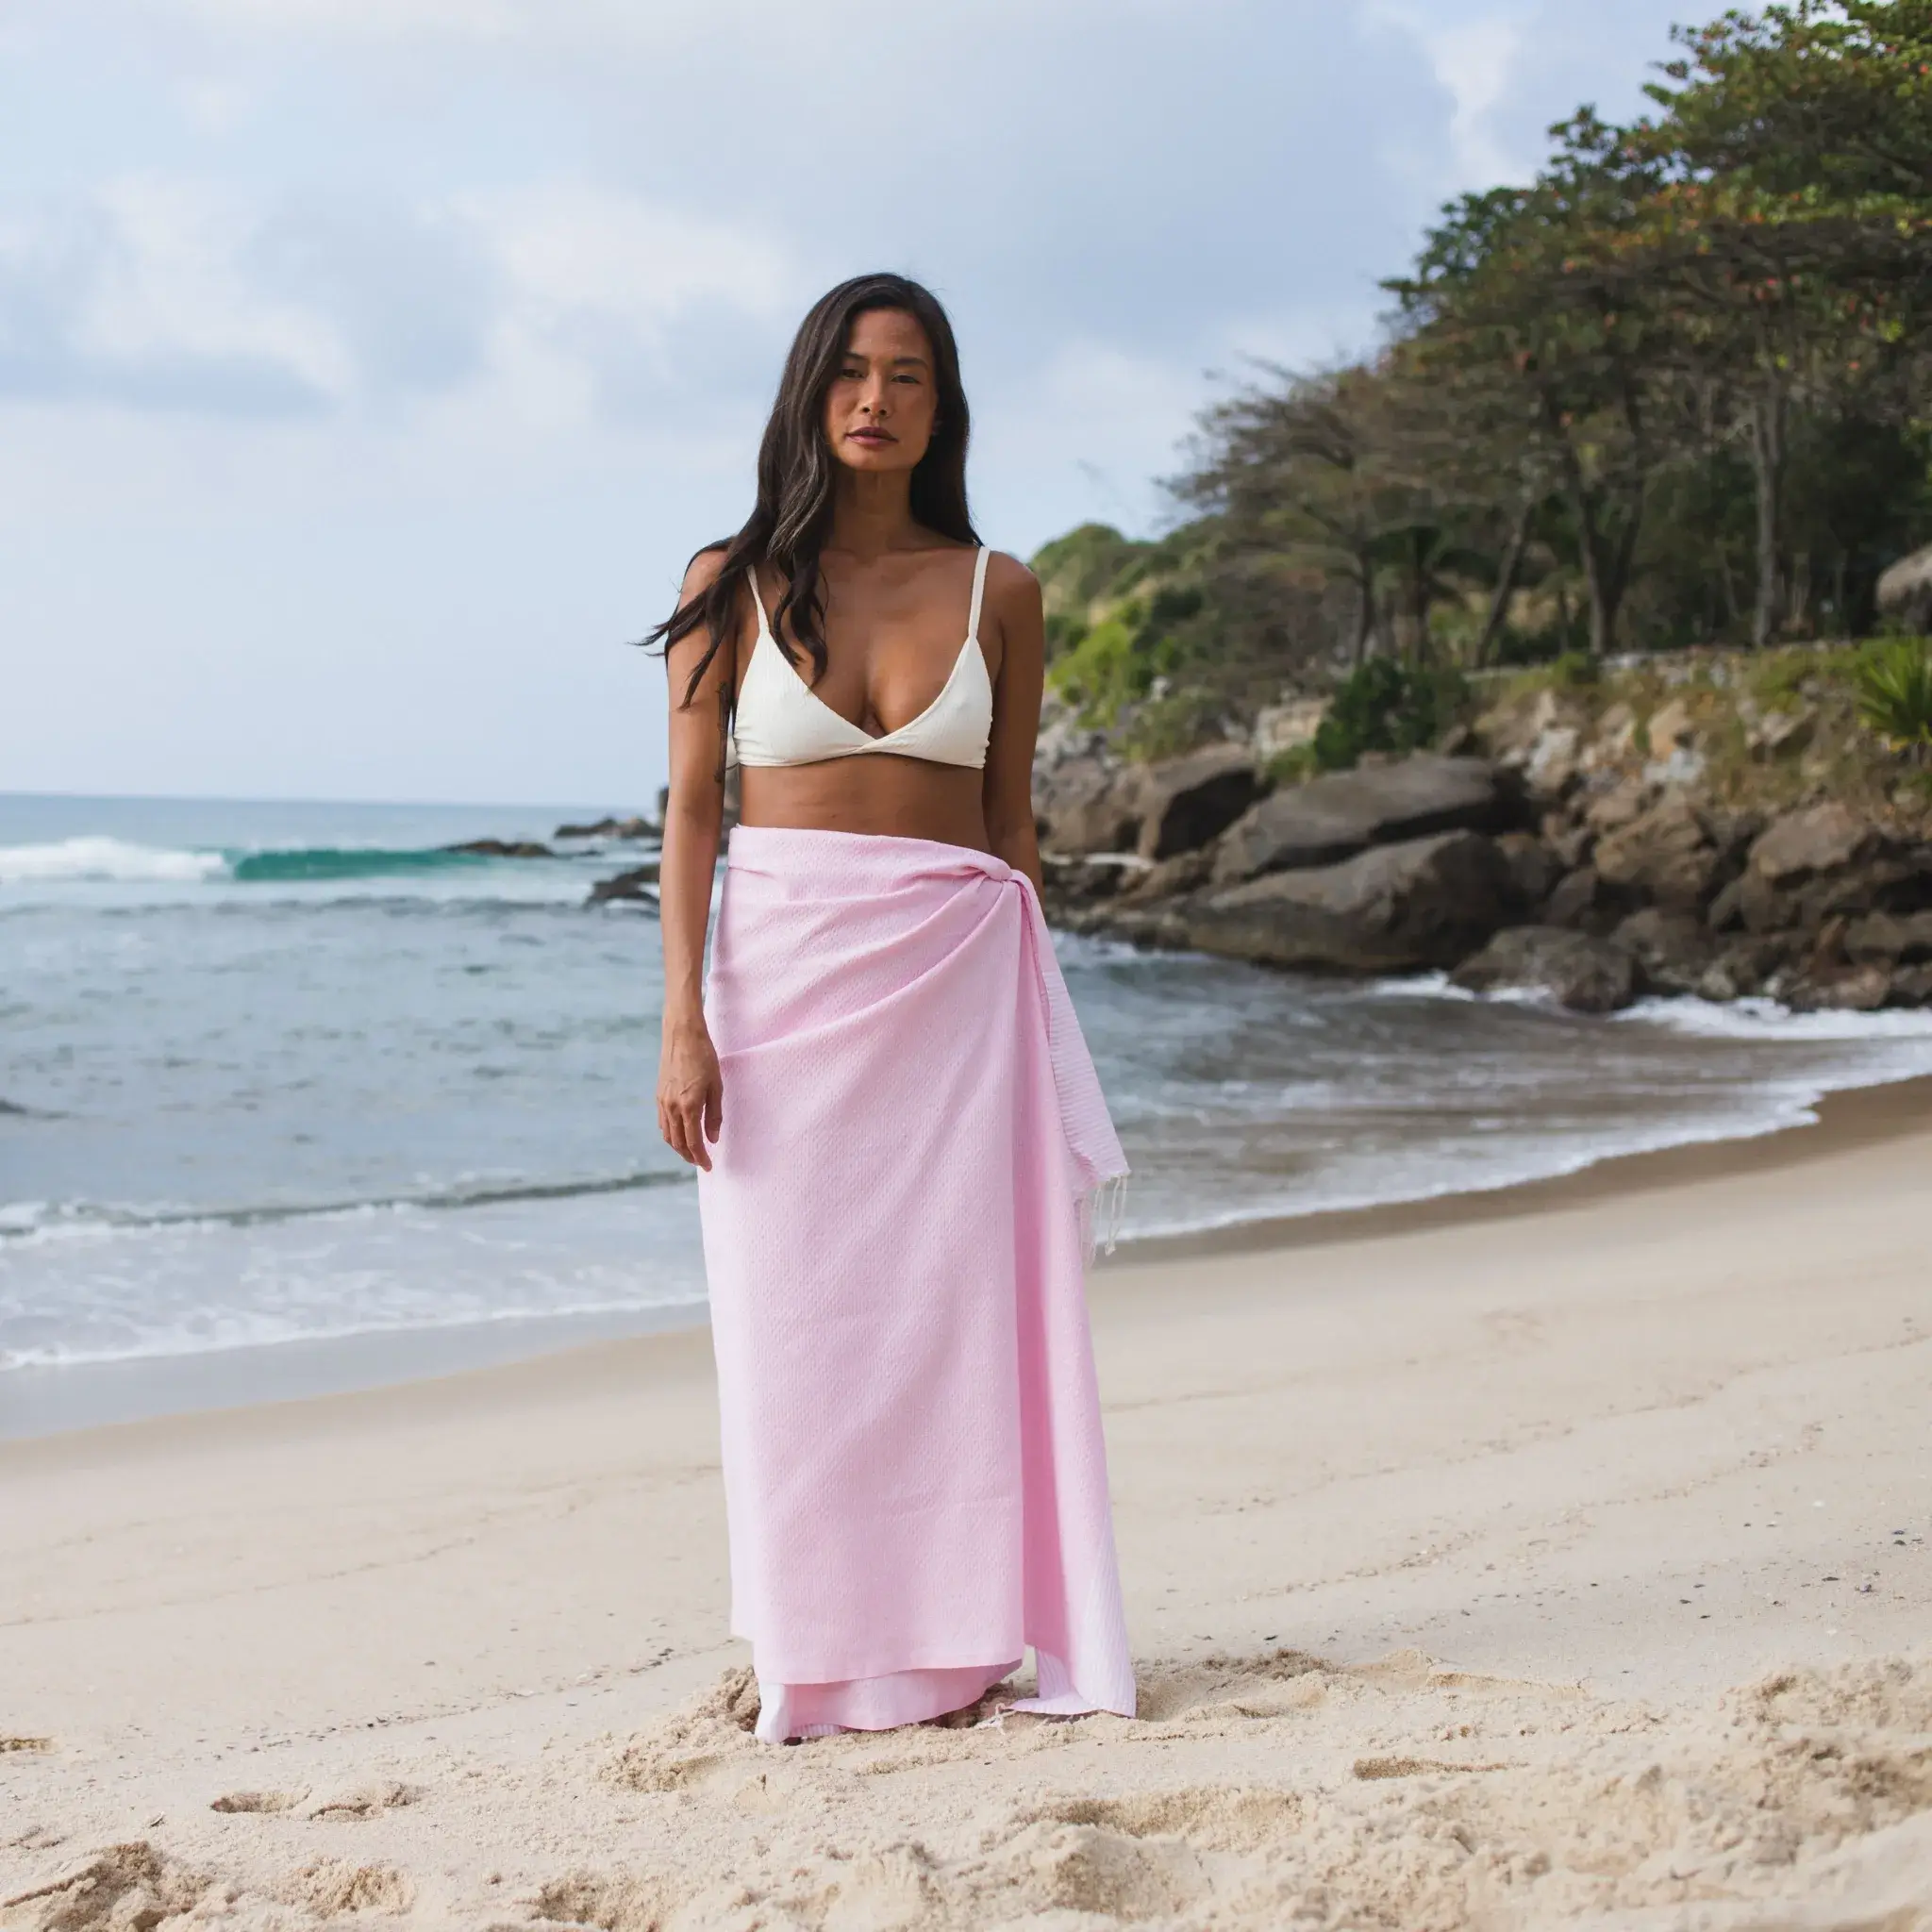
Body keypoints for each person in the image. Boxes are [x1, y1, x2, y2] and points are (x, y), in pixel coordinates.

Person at [647, 272, 1134, 1744]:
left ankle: (960, 1641)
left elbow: (1012, 826)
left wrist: (1042, 1035)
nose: (875, 400)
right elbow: (687, 818)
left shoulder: (1004, 589)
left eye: (907, 376)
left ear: (943, 403)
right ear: (811, 392)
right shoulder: (723, 580)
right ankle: (816, 1652)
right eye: (851, 373)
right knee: (796, 1337)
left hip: (956, 1001)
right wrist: (683, 1020)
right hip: (779, 998)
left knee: (954, 1328)